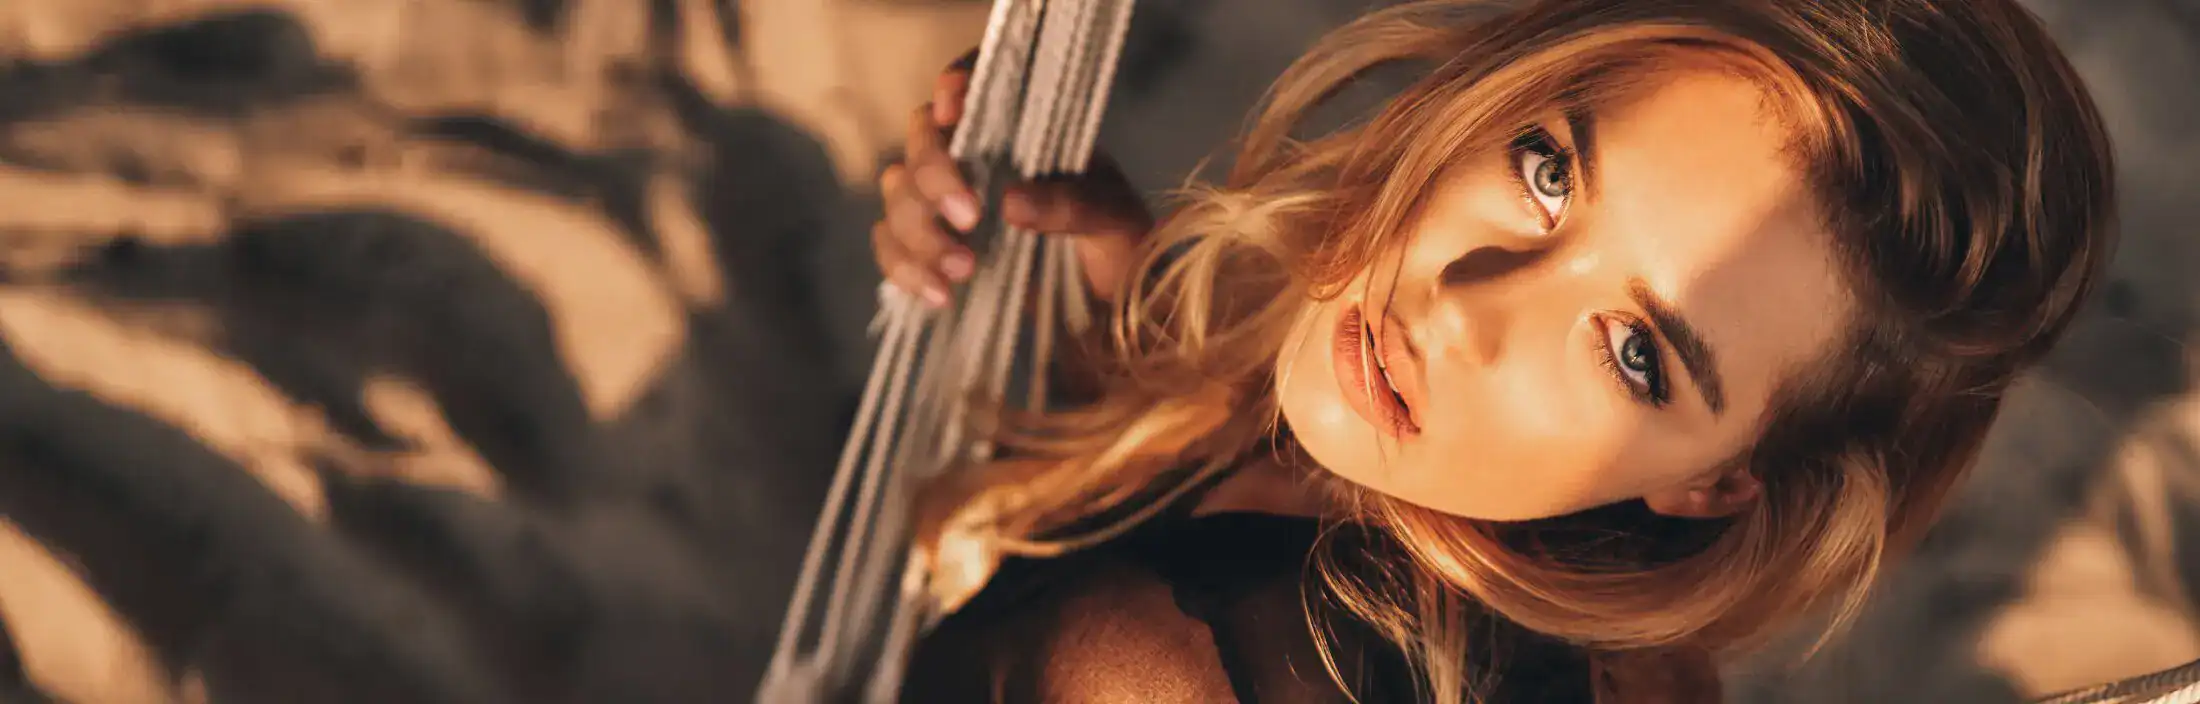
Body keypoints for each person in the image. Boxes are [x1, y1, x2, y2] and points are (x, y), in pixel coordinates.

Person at [866, 0, 2116, 701]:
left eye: (1638, 352)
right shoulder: (1536, 566)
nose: (1465, 306)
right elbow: (1240, 455)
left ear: (1717, 482)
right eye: (1550, 170)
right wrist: (1101, 255)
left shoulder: (1149, 672)